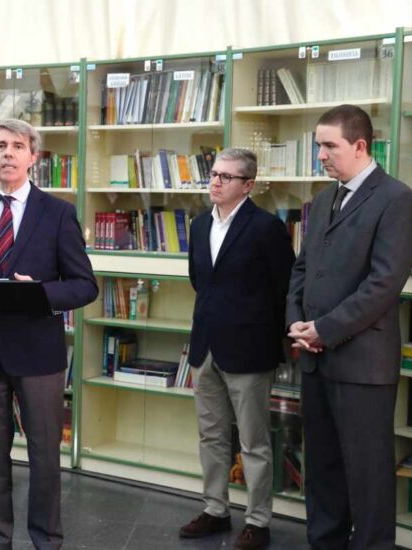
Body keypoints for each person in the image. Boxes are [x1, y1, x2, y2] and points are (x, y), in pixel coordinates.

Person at [0, 119, 98, 549]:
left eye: (17, 146)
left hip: (39, 356)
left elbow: (85, 285)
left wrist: (40, 293)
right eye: (0, 145)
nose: (8, 153)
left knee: (44, 458)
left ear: (33, 157)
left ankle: (46, 540)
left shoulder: (58, 213)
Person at [286, 104, 412, 549]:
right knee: (321, 471)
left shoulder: (396, 200)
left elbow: (383, 286)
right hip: (316, 360)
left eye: (329, 146)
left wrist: (323, 328)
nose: (320, 155)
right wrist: (297, 323)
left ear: (360, 146)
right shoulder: (323, 199)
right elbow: (302, 271)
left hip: (362, 364)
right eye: (317, 145)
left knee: (367, 477)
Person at [180, 148, 295, 550]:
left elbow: (284, 287)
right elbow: (200, 281)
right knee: (211, 436)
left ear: (248, 185)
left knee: (253, 441)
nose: (215, 181)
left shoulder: (266, 228)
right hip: (205, 346)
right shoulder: (198, 226)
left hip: (249, 349)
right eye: (213, 174)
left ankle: (258, 521)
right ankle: (215, 510)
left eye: (225, 177)